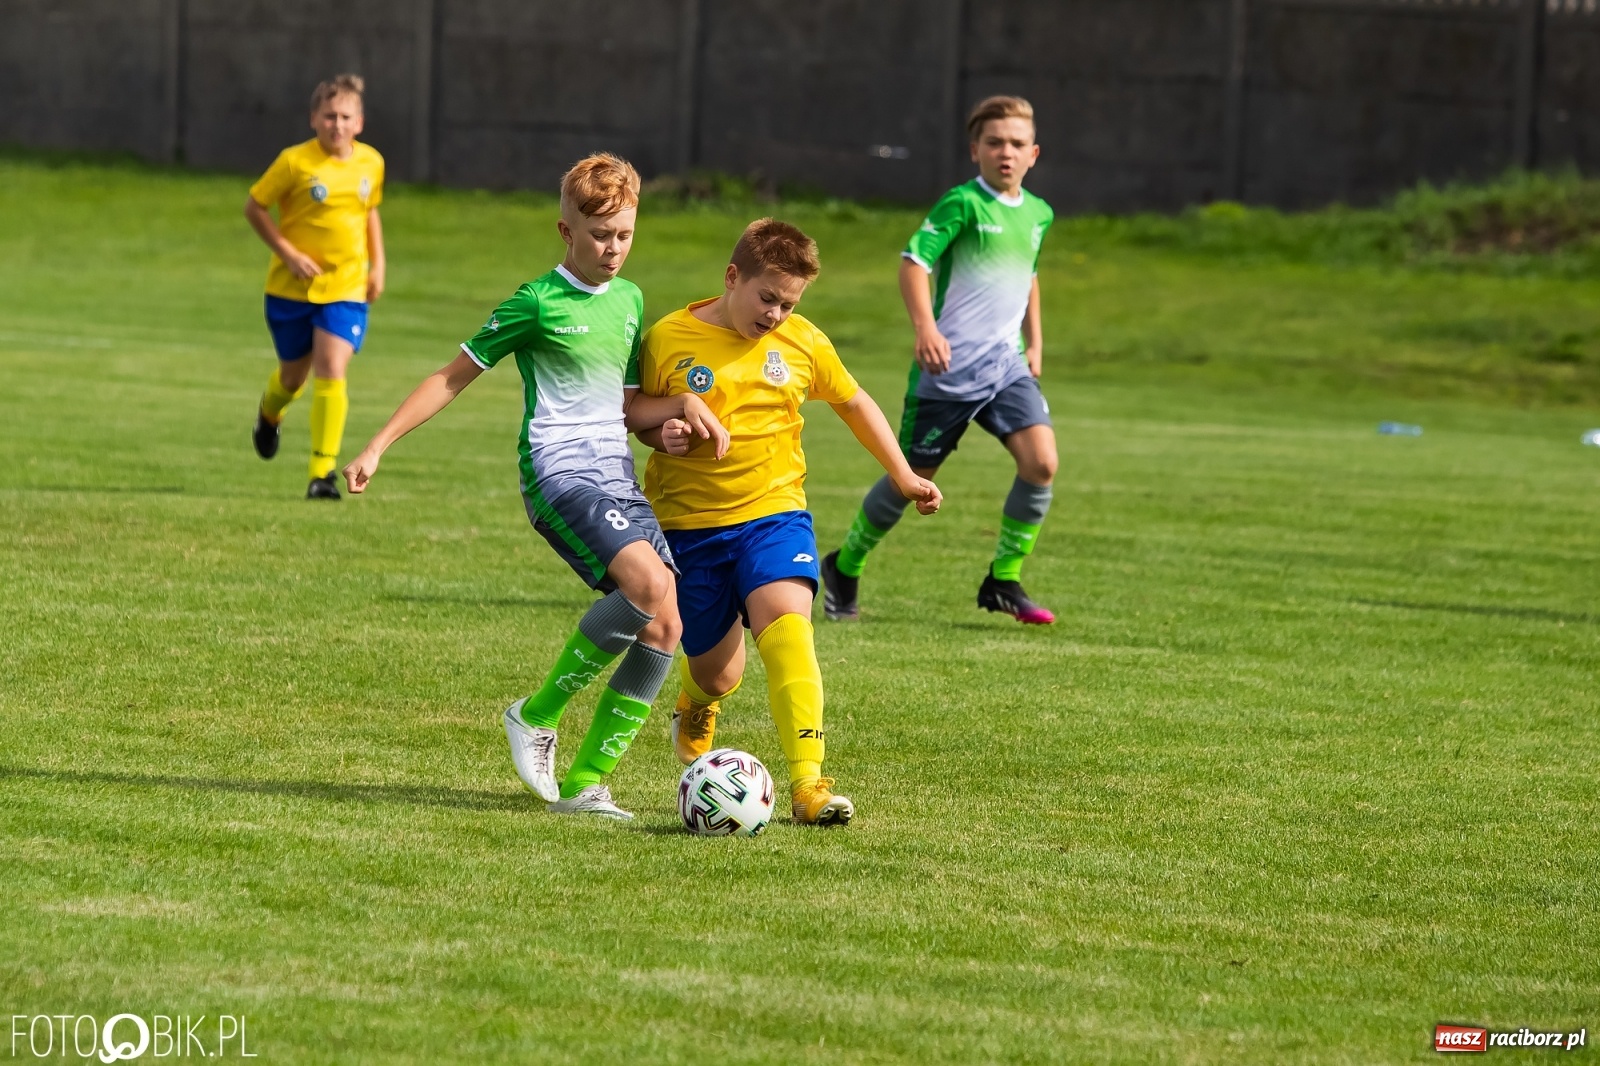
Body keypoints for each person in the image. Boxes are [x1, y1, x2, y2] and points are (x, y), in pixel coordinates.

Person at [342, 154, 714, 820]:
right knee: (647, 585)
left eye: (624, 235)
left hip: (616, 475)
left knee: (666, 623)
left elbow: (628, 409)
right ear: (566, 231)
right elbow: (451, 376)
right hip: (559, 473)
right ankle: (536, 715)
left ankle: (585, 785)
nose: (613, 248)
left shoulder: (630, 302)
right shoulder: (536, 302)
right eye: (599, 235)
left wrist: (677, 419)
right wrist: (377, 444)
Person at [627, 219, 941, 827]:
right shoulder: (668, 337)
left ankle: (808, 787)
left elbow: (853, 401)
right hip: (689, 526)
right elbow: (635, 412)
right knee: (720, 672)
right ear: (732, 277)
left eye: (788, 304)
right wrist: (663, 434)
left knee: (789, 629)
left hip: (775, 515)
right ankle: (698, 698)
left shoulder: (803, 342)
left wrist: (903, 474)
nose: (775, 315)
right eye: (767, 298)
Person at [822, 95, 1058, 624]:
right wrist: (926, 328)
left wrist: (1036, 342)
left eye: (1016, 143)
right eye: (994, 142)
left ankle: (1004, 579)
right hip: (947, 373)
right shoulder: (962, 204)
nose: (1006, 152)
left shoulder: (1039, 213)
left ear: (1033, 153)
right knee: (911, 479)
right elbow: (914, 263)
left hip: (1006, 367)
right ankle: (845, 564)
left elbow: (1029, 277)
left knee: (1042, 462)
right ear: (975, 150)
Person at [245, 74, 386, 499]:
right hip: (291, 289)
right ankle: (269, 414)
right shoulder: (294, 162)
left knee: (331, 367)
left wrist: (378, 264)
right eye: (329, 116)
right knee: (292, 377)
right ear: (313, 119)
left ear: (359, 122)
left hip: (346, 286)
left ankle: (321, 474)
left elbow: (369, 212)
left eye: (345, 117)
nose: (336, 124)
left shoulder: (371, 163)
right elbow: (255, 207)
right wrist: (288, 254)